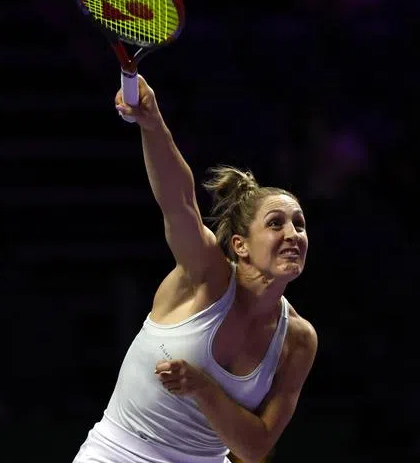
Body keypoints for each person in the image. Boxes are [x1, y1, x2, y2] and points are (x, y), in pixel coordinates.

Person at [73, 77, 318, 463]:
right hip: (120, 454)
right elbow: (178, 201)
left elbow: (254, 448)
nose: (292, 234)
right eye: (276, 224)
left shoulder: (298, 340)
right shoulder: (205, 276)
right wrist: (153, 125)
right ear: (240, 246)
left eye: (299, 224)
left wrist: (202, 388)